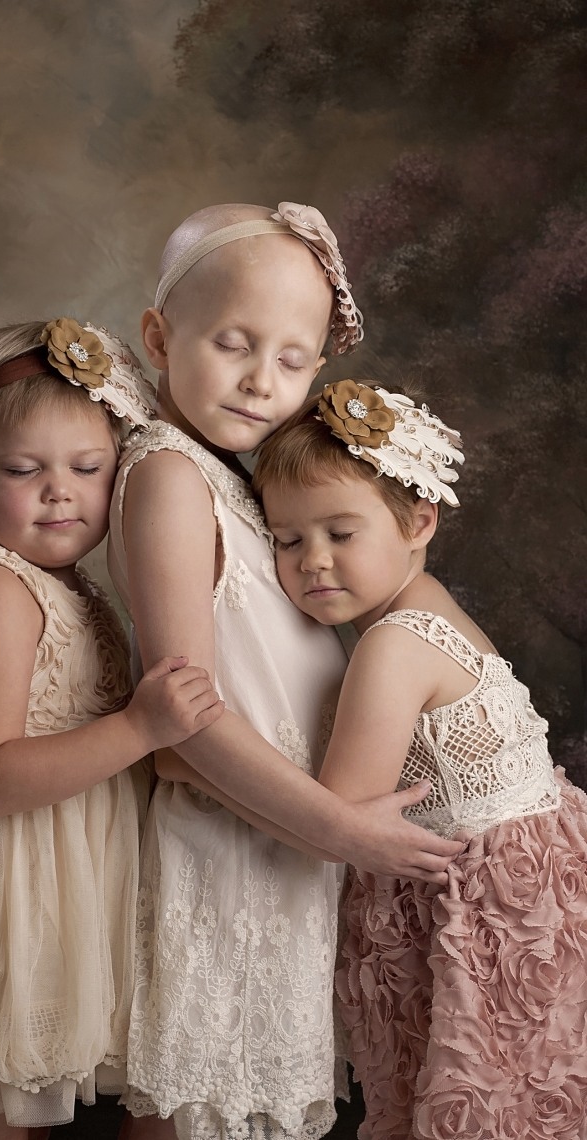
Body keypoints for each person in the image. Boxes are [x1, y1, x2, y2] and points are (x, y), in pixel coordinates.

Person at [106, 202, 464, 1140]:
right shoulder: (170, 476)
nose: (263, 382)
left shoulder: (240, 477)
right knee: (196, 1102)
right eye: (233, 344)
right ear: (159, 337)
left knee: (251, 1106)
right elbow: (183, 721)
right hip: (223, 853)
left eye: (294, 360)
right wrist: (346, 829)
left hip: (278, 850)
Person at [0, 317, 224, 1140]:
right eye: (24, 470)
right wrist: (140, 727)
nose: (59, 491)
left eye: (88, 468)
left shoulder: (77, 587)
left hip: (67, 878)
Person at [252, 378, 587, 1140]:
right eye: (287, 539)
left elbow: (333, 817)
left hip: (493, 912)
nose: (313, 562)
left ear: (418, 520)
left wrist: (197, 763)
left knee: (489, 1098)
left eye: (341, 532)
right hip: (534, 881)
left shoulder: (394, 644)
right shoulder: (426, 600)